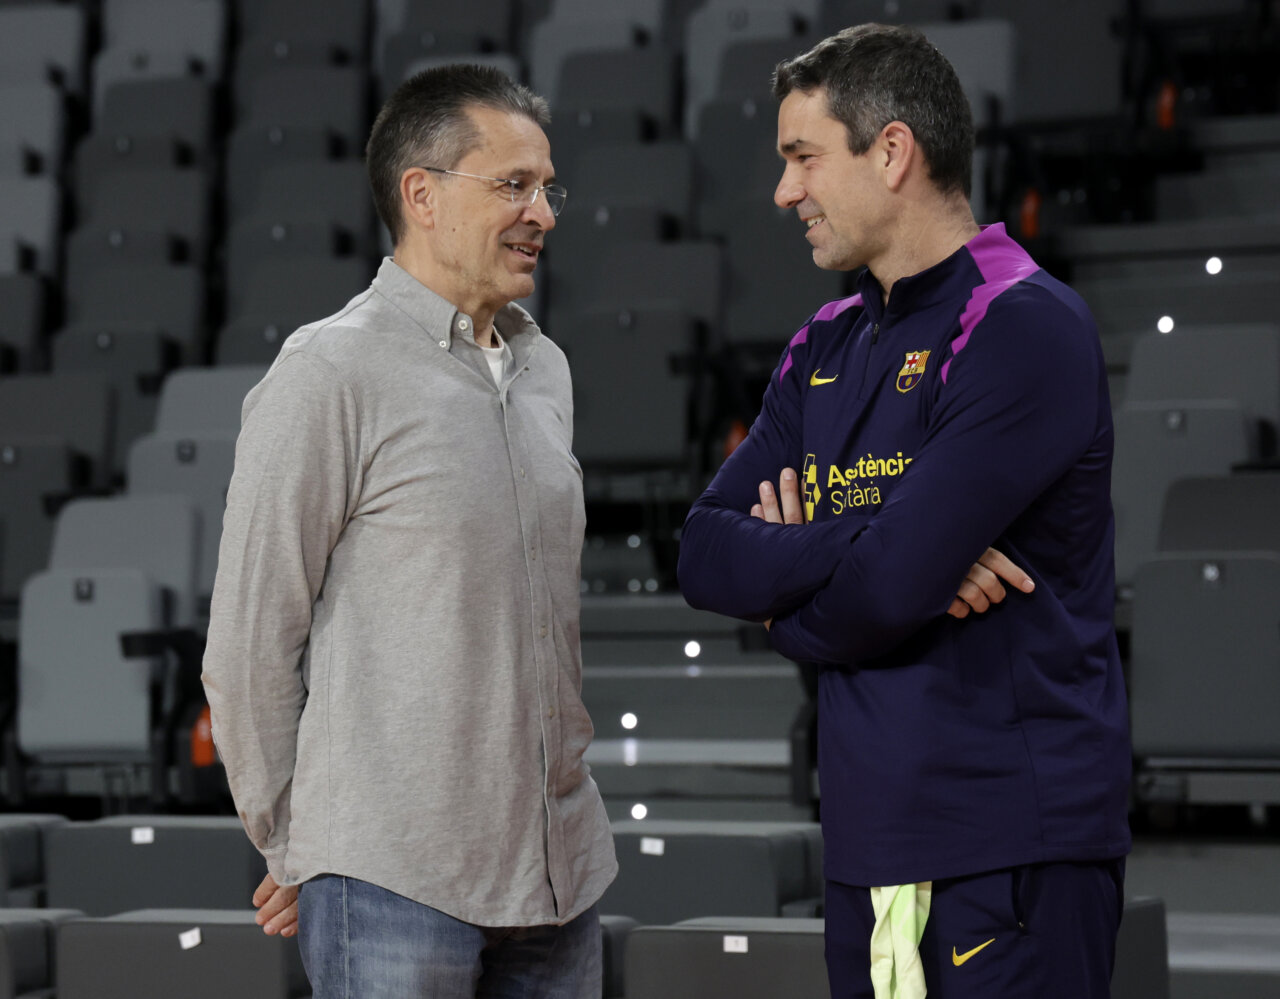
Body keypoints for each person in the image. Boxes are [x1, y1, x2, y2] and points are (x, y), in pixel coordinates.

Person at [677, 24, 1131, 999]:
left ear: (890, 152)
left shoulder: (1022, 325)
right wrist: (854, 550)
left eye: (801, 157)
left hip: (1006, 845)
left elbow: (883, 594)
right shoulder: (823, 342)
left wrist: (801, 581)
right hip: (866, 841)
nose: (782, 191)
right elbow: (703, 553)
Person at [201, 64, 616, 998]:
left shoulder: (546, 369)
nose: (543, 212)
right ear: (420, 195)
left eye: (548, 187)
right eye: (513, 185)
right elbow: (248, 644)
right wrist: (298, 843)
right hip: (396, 881)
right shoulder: (327, 372)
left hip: (562, 873)